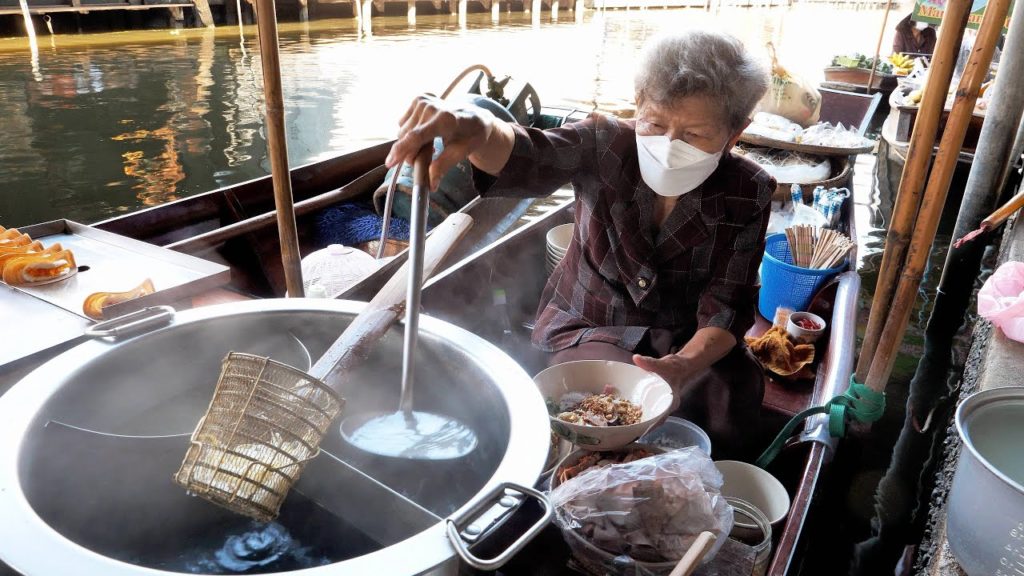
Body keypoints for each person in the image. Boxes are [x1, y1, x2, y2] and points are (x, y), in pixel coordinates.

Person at [387, 30, 775, 460]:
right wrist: (475, 128)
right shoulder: (604, 143)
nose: (668, 146)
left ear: (736, 132)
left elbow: (727, 300)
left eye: (696, 134)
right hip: (590, 321)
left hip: (686, 336)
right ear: (637, 104)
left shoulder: (750, 191)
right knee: (603, 402)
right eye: (655, 124)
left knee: (728, 400)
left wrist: (682, 367)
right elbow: (527, 154)